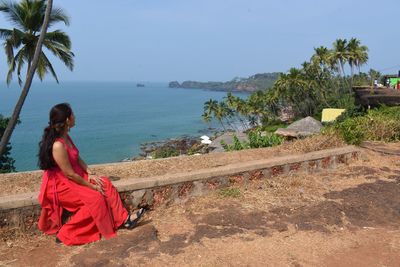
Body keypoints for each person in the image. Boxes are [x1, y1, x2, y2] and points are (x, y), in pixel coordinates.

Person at [37, 103, 145, 246]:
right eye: (73, 114)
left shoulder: (66, 137)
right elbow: (69, 174)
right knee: (95, 199)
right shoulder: (58, 145)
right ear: (68, 120)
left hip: (76, 176)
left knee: (104, 183)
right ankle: (66, 234)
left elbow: (77, 158)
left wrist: (90, 173)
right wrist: (91, 186)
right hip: (60, 185)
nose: (75, 117)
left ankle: (124, 220)